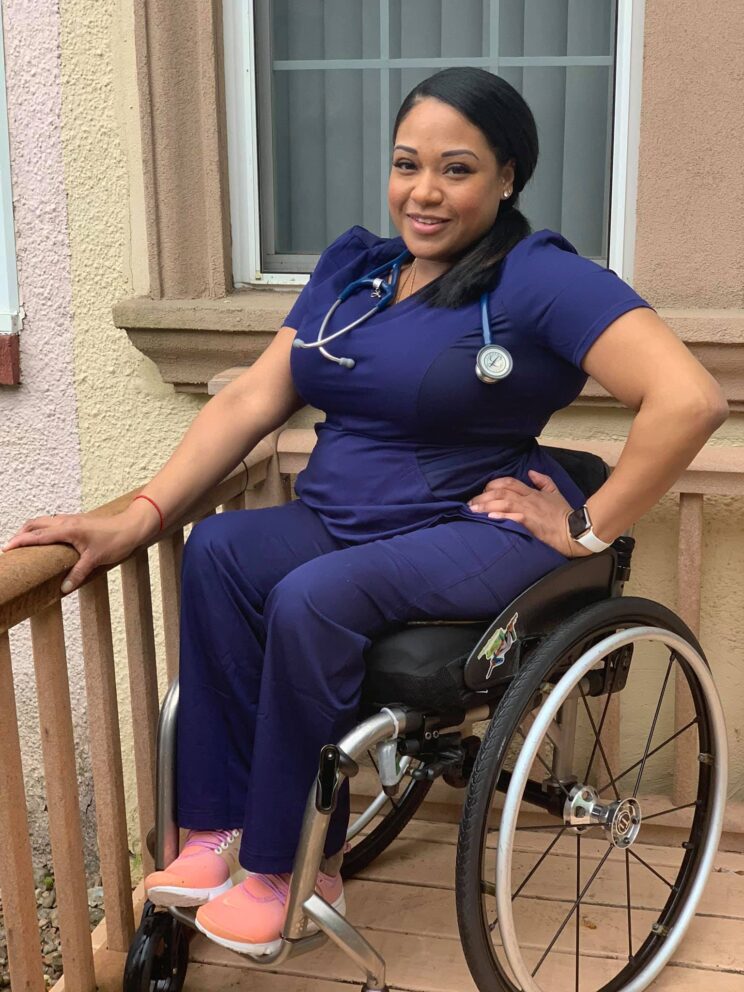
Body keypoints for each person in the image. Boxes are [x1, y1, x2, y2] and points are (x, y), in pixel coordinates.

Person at [2, 67, 728, 956]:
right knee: (221, 550)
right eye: (406, 164)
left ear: (507, 178)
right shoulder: (359, 272)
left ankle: (290, 868)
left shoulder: (541, 277)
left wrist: (587, 525)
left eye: (457, 169)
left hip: (468, 527)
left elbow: (687, 399)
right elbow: (248, 402)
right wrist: (138, 514)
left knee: (314, 595)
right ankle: (219, 833)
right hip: (346, 513)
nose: (423, 191)